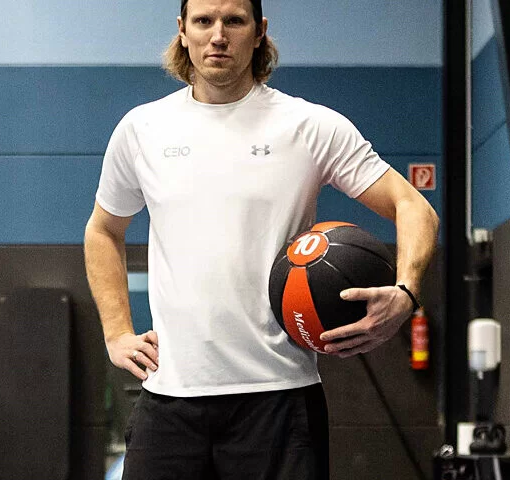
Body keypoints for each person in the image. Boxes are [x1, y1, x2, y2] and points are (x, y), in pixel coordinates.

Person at [83, 0, 439, 477]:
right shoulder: (142, 129)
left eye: (234, 20)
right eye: (204, 21)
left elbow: (413, 205)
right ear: (182, 32)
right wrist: (116, 332)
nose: (218, 36)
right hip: (170, 399)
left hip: (281, 399)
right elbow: (103, 230)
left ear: (259, 31)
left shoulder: (309, 126)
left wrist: (406, 292)